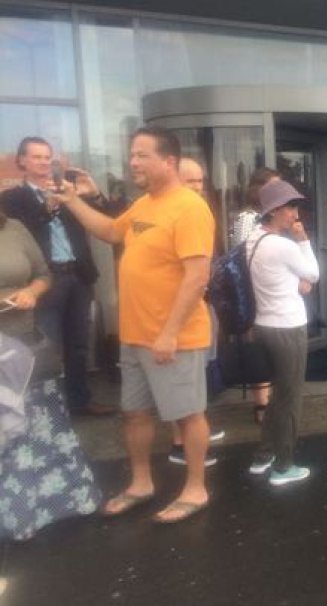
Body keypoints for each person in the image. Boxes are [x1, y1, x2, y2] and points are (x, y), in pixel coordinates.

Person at [57, 127, 215, 524]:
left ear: (169, 161)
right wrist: (73, 201)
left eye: (142, 155)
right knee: (135, 414)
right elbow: (111, 231)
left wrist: (170, 332)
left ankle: (196, 488)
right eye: (132, 155)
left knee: (187, 414)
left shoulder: (189, 207)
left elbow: (197, 277)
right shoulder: (145, 204)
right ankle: (141, 483)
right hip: (136, 334)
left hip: (173, 338)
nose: (133, 162)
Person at [0, 206, 101, 541]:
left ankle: (51, 507)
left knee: (39, 428)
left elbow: (44, 273)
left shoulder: (14, 226)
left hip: (26, 345)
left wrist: (32, 291)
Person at [0, 137, 116, 417]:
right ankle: (45, 409)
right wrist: (47, 207)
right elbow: (22, 232)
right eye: (37, 157)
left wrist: (94, 194)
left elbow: (110, 221)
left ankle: (79, 401)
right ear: (22, 162)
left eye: (47, 157)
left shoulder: (68, 192)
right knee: (46, 346)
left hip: (77, 275)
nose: (43, 162)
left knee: (78, 344)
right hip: (45, 280)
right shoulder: (12, 199)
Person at [245, 180, 320, 484]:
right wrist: (303, 241)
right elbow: (313, 273)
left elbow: (279, 277)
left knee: (278, 394)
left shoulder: (254, 239)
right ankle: (284, 466)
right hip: (288, 327)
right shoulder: (285, 245)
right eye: (290, 207)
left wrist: (295, 282)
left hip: (264, 325)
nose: (295, 214)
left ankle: (264, 456)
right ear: (274, 210)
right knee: (290, 398)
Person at [167, 157, 225, 465]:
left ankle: (194, 429)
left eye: (200, 181)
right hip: (178, 310)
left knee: (198, 370)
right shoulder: (172, 212)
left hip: (201, 304)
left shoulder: (197, 211)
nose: (198, 187)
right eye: (191, 181)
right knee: (180, 379)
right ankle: (181, 445)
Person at [231, 167, 279, 423]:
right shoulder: (249, 217)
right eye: (272, 186)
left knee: (268, 344)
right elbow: (240, 254)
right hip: (253, 288)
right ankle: (261, 404)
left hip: (271, 287)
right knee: (258, 345)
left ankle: (267, 400)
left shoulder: (272, 214)